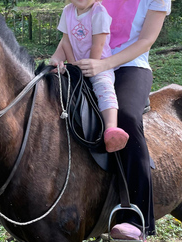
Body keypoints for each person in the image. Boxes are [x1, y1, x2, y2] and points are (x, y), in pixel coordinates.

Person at [72, 0, 171, 242]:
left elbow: (145, 41)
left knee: (126, 116)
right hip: (89, 59)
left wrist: (105, 64)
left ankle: (136, 218)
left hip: (130, 66)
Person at [50, 0, 129, 153]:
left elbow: (98, 45)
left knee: (104, 87)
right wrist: (70, 65)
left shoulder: (99, 13)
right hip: (77, 65)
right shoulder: (67, 11)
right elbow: (66, 41)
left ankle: (111, 128)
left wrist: (90, 66)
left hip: (98, 64)